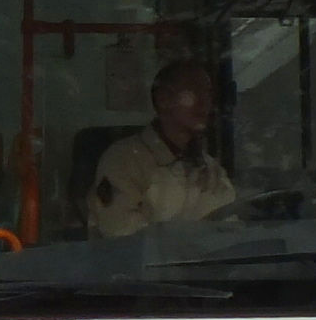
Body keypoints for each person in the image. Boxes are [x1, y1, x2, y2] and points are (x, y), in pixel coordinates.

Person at [86, 60, 235, 238]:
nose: (205, 103)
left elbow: (230, 229)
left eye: (208, 93)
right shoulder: (123, 161)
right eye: (193, 91)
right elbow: (122, 236)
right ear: (163, 99)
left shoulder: (211, 168)